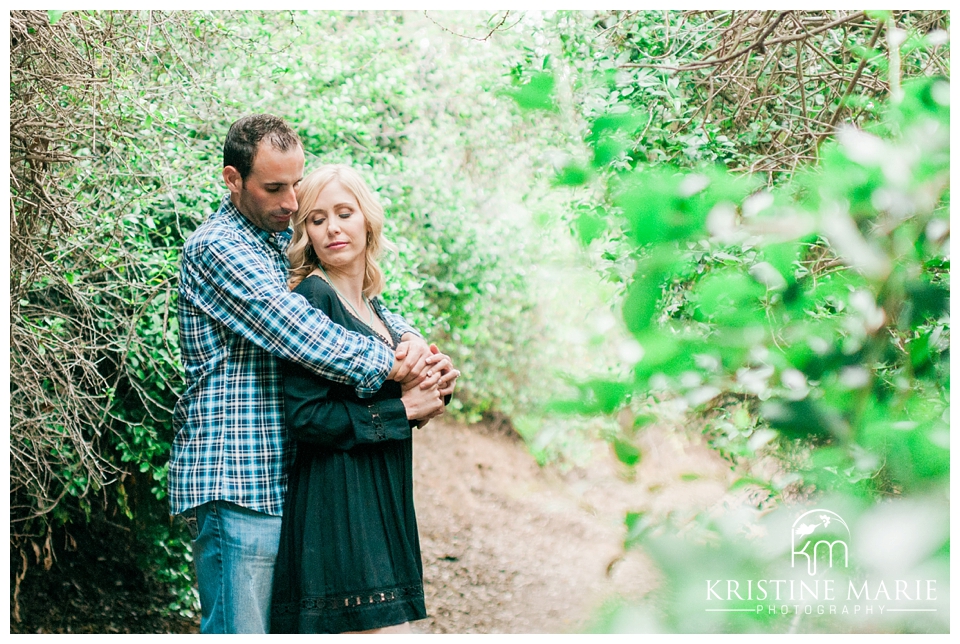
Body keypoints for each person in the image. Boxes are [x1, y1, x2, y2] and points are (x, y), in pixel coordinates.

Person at [169, 114, 457, 634]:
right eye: (274, 187)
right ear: (233, 180)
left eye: (296, 183)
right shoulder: (219, 248)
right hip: (238, 481)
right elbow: (303, 333)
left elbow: (355, 300)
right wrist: (397, 370)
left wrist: (410, 338)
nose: (292, 201)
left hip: (290, 481)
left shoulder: (279, 241)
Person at [270, 164, 455, 633]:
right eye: (316, 218)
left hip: (381, 496)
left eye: (344, 213)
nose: (332, 227)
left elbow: (394, 403)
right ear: (305, 233)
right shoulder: (312, 297)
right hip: (338, 504)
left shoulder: (376, 310)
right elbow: (308, 417)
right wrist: (404, 409)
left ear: (366, 221)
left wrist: (435, 388)